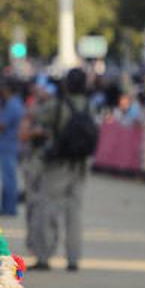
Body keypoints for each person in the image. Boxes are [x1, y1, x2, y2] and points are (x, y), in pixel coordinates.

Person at [26, 68, 94, 271]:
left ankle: (44, 255)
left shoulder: (57, 105)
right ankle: (73, 258)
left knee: (48, 208)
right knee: (75, 212)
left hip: (57, 165)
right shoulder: (89, 106)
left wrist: (40, 97)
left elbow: (35, 116)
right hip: (81, 165)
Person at [0, 80, 25, 216]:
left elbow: (2, 125)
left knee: (8, 178)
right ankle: (8, 206)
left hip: (7, 145)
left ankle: (9, 208)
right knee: (9, 177)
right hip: (12, 144)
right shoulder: (17, 103)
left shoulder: (12, 105)